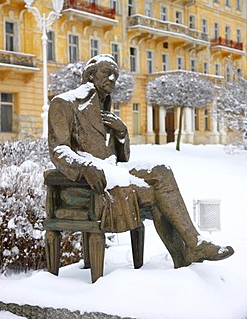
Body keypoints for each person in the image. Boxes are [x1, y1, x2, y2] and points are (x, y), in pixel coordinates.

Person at [48, 54, 234, 269]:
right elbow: (58, 149)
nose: (112, 78)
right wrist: (85, 167)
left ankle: (191, 249)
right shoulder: (64, 103)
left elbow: (123, 158)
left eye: (115, 75)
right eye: (106, 73)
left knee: (161, 172)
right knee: (156, 192)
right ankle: (190, 249)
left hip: (112, 174)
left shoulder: (105, 110)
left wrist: (121, 133)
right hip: (87, 183)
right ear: (90, 74)